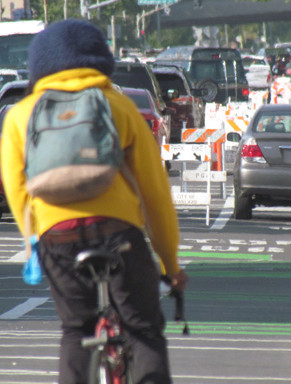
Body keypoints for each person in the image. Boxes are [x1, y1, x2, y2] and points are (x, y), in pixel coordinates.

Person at [0, 19, 188, 383]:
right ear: (100, 60)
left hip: (58, 238)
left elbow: (17, 190)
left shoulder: (20, 117)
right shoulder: (120, 108)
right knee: (143, 329)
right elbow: (155, 193)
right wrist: (170, 264)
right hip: (120, 234)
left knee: (76, 330)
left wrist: (34, 241)